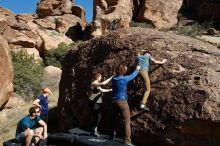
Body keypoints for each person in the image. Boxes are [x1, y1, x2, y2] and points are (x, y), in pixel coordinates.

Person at [111, 65, 140, 146]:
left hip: (114, 101)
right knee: (127, 121)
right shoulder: (124, 79)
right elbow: (133, 75)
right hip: (122, 102)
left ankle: (111, 135)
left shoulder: (114, 78)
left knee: (114, 119)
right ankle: (127, 141)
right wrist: (137, 69)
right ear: (123, 71)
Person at [88, 72, 113, 137]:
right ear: (97, 77)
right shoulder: (93, 83)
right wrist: (111, 77)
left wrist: (110, 90)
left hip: (98, 102)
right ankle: (93, 131)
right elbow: (103, 83)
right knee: (97, 117)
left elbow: (102, 90)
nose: (101, 78)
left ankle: (93, 131)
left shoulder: (97, 84)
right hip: (94, 102)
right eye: (100, 77)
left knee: (97, 117)